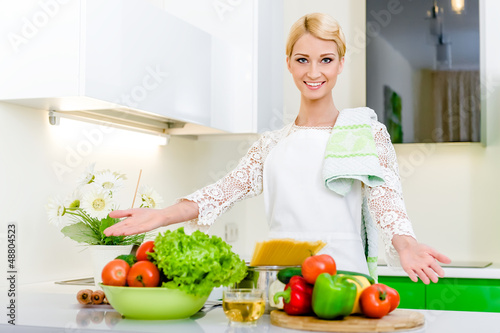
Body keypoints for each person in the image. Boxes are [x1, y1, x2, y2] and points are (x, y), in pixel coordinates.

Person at [105, 13, 450, 284]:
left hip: (346, 281)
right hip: (283, 281)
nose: (314, 72)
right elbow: (222, 191)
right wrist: (161, 215)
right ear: (288, 62)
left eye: (326, 60)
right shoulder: (271, 145)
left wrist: (407, 244)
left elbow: (387, 200)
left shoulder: (365, 133)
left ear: (341, 63)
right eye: (303, 60)